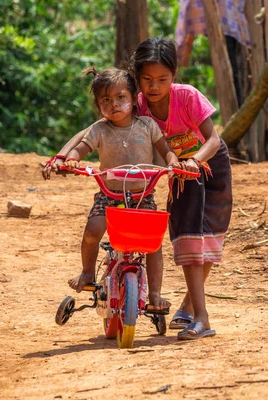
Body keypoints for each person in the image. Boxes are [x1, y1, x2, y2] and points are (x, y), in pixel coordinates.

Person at [47, 66, 179, 313]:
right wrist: (73, 159)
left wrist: (173, 164)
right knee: (92, 231)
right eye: (106, 100)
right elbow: (81, 148)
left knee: (153, 244)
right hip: (108, 194)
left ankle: (155, 294)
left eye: (121, 97)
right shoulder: (99, 130)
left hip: (143, 196)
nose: (114, 104)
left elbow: (166, 150)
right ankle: (87, 271)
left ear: (133, 99)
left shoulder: (147, 125)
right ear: (98, 106)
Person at [129, 37, 233, 340]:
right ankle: (201, 317)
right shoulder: (136, 107)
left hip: (211, 166)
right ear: (137, 78)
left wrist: (195, 161)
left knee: (209, 236)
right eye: (147, 79)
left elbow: (213, 140)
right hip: (180, 172)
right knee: (188, 236)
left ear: (174, 76)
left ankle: (191, 308)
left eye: (162, 79)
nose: (154, 86)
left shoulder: (187, 97)